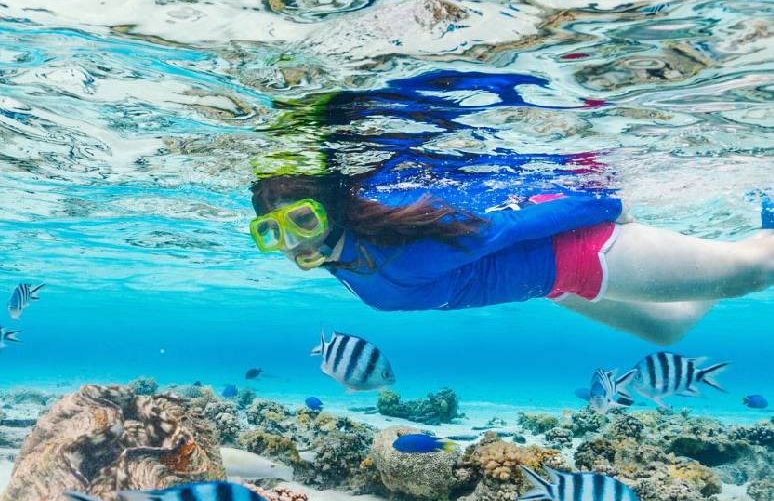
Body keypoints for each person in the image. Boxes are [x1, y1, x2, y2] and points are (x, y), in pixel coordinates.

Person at [249, 150, 774, 343]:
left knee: (750, 271)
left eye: (302, 219)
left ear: (332, 212)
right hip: (546, 284)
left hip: (578, 252)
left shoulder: (391, 253)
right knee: (667, 329)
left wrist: (604, 205)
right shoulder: (348, 261)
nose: (295, 240)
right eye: (273, 232)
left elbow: (503, 228)